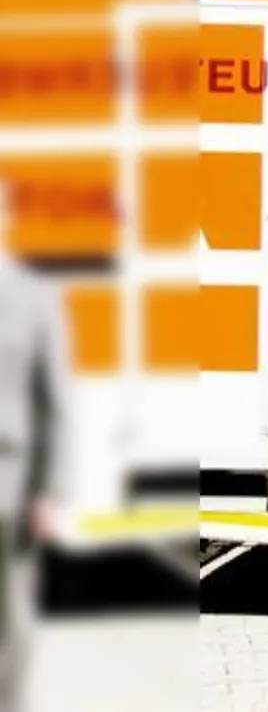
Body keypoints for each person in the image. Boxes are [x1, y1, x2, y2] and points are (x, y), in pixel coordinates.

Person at [0, 174, 67, 711]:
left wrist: (49, 490)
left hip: (10, 484)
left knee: (9, 620)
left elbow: (56, 403)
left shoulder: (32, 297)